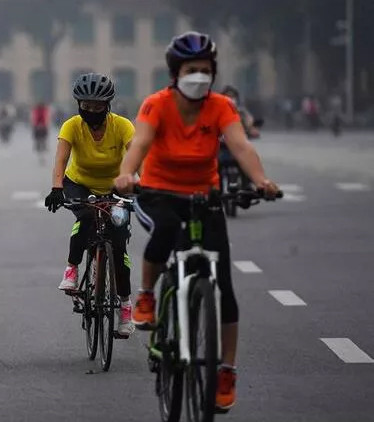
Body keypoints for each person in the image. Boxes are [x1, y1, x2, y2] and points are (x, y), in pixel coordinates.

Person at [113, 31, 280, 412]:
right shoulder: (157, 104)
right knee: (166, 231)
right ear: (176, 72)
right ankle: (147, 296)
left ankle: (225, 370)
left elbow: (240, 145)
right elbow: (139, 143)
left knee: (224, 286)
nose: (200, 77)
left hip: (206, 196)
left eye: (206, 70)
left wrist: (260, 181)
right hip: (158, 194)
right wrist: (126, 173)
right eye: (192, 70)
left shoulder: (220, 106)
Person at [44, 72, 136, 338]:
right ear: (78, 105)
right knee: (85, 217)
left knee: (118, 244)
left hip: (116, 185)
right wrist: (56, 188)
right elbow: (61, 160)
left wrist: (140, 182)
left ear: (108, 105)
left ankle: (126, 309)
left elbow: (136, 156)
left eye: (97, 106)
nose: (91, 111)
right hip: (79, 184)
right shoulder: (72, 125)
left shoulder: (122, 126)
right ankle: (72, 269)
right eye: (86, 106)